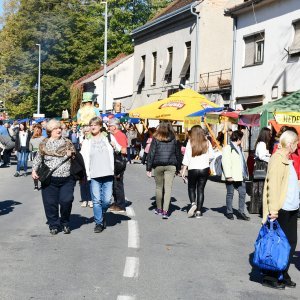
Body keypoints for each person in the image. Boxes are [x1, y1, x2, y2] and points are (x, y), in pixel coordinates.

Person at [261, 130, 299, 289]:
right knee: (277, 243)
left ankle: (283, 271)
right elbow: (274, 185)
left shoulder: (287, 159)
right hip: (281, 208)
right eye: (296, 143)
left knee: (290, 242)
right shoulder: (277, 159)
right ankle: (271, 276)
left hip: (291, 207)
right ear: (290, 144)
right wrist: (273, 209)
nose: (297, 146)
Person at [32, 119, 76, 235]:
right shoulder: (44, 144)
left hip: (67, 178)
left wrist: (71, 154)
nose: (59, 130)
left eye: (60, 128)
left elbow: (76, 157)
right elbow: (38, 158)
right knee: (50, 203)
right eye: (56, 128)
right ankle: (54, 224)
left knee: (66, 200)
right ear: (50, 131)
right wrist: (33, 170)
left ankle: (65, 222)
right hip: (49, 179)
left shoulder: (68, 143)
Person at [81, 117, 121, 233]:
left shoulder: (107, 137)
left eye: (95, 125)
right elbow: (84, 158)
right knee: (96, 201)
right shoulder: (87, 141)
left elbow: (119, 149)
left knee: (107, 201)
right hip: (94, 175)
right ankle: (98, 223)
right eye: (91, 125)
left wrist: (115, 146)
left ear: (100, 126)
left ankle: (101, 214)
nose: (93, 127)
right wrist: (86, 174)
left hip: (108, 173)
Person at [146, 121, 182, 219]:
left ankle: (159, 209)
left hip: (158, 165)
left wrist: (148, 168)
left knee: (159, 187)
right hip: (171, 165)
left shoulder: (156, 137)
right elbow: (178, 154)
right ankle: (166, 211)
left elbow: (151, 153)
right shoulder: (175, 138)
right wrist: (179, 167)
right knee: (168, 188)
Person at [181, 125, 214, 218]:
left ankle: (193, 203)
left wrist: (183, 170)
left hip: (193, 168)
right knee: (201, 189)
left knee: (191, 187)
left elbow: (186, 157)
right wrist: (206, 161)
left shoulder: (190, 142)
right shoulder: (207, 142)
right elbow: (212, 155)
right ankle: (199, 211)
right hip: (204, 168)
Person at [222, 130, 250, 221]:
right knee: (230, 193)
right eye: (241, 138)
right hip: (231, 176)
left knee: (242, 193)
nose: (241, 140)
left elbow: (242, 162)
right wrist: (228, 176)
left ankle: (241, 212)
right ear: (238, 138)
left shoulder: (239, 148)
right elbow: (225, 162)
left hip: (240, 176)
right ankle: (229, 212)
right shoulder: (228, 148)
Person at [107, 118, 128, 213]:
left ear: (114, 127)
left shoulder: (120, 135)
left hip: (119, 162)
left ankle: (121, 205)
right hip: (115, 162)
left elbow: (124, 150)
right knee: (114, 184)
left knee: (118, 184)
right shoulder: (115, 135)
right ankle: (116, 202)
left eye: (109, 126)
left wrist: (114, 146)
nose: (108, 128)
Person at [251, 127, 272, 214]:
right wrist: (270, 158)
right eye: (269, 134)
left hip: (259, 165)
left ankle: (257, 207)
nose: (270, 135)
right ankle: (259, 208)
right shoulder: (262, 144)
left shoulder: (261, 143)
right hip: (262, 166)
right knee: (260, 187)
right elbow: (261, 156)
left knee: (258, 187)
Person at [29, 124, 45, 191]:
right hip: (42, 154)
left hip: (35, 153)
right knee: (42, 170)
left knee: (35, 169)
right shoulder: (43, 138)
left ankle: (36, 186)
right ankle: (42, 184)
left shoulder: (31, 139)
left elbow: (30, 148)